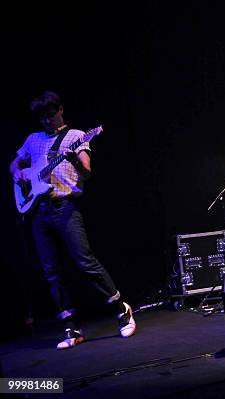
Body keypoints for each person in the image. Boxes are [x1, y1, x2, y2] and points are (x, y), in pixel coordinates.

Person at [9, 91, 136, 349]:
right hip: (39, 212)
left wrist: (74, 160)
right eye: (42, 117)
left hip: (65, 208)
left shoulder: (77, 136)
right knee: (51, 272)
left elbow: (87, 173)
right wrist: (19, 173)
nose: (47, 120)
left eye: (51, 114)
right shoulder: (33, 140)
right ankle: (71, 328)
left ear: (61, 110)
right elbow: (14, 164)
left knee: (84, 262)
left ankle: (122, 310)